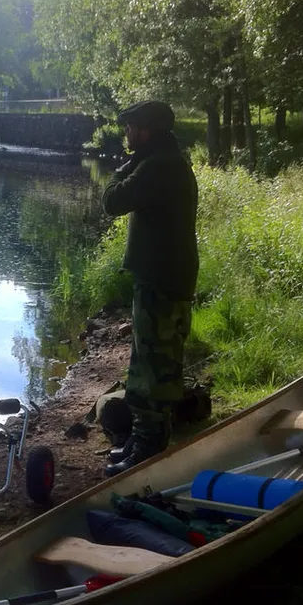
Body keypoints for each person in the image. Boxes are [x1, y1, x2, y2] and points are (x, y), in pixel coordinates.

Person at [101, 100, 199, 477]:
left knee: (156, 364)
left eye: (131, 126)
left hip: (163, 278)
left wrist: (119, 170)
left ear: (147, 130)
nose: (126, 132)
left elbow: (113, 200)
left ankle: (150, 448)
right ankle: (143, 438)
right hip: (160, 276)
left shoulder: (159, 165)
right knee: (146, 359)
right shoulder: (162, 160)